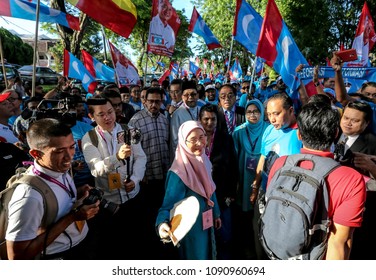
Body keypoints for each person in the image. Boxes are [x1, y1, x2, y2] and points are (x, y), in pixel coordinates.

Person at [267, 102, 366, 259]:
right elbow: (339, 242)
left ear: (299, 134)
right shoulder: (351, 179)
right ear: (335, 133)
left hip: (277, 252)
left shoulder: (281, 163)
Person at [5, 118, 99, 259]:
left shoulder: (59, 168)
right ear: (36, 154)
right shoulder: (28, 197)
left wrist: (78, 193)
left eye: (72, 147)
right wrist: (72, 218)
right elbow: (18, 257)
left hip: (83, 244)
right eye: (59, 151)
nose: (69, 156)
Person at [81, 98, 147, 259]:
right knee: (112, 246)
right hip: (107, 203)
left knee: (136, 241)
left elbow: (141, 157)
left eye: (110, 112)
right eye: (101, 114)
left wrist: (135, 179)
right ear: (91, 116)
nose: (107, 117)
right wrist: (116, 157)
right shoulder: (89, 139)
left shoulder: (128, 130)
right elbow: (95, 170)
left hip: (132, 197)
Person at [156, 120, 221, 260]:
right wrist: (162, 224)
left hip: (206, 222)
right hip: (191, 229)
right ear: (183, 143)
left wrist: (216, 213)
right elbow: (167, 205)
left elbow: (210, 189)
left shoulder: (204, 161)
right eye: (193, 140)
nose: (199, 143)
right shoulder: (178, 172)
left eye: (201, 137)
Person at [128, 87, 171, 259]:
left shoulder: (164, 119)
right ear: (144, 101)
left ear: (162, 102)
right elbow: (131, 151)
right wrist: (140, 174)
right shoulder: (136, 121)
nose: (154, 104)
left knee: (163, 207)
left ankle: (163, 237)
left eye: (158, 101)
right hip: (146, 176)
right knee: (148, 212)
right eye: (151, 101)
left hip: (164, 173)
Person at [199, 104, 237, 259]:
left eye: (213, 119)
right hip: (200, 195)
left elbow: (233, 166)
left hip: (222, 194)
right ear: (199, 120)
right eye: (206, 119)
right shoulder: (194, 139)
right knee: (204, 235)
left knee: (224, 234)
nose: (209, 122)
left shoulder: (225, 138)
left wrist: (231, 193)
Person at [251, 93, 302, 210]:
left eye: (276, 114)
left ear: (290, 110)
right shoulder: (269, 130)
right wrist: (255, 187)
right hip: (266, 192)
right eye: (269, 114)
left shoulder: (301, 133)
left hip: (288, 198)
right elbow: (263, 158)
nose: (272, 119)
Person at [232, 99, 269, 259]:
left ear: (262, 113)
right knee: (244, 211)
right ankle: (246, 245)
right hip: (243, 175)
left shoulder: (268, 130)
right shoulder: (238, 131)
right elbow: (233, 156)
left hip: (263, 175)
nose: (253, 115)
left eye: (256, 111)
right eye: (249, 112)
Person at [170, 80, 200, 159]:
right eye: (187, 95)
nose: (190, 97)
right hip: (185, 156)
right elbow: (175, 141)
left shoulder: (202, 111)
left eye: (193, 94)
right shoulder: (177, 114)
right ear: (182, 97)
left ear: (198, 96)